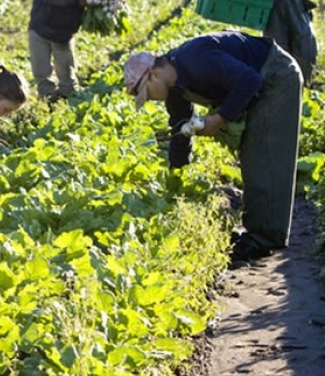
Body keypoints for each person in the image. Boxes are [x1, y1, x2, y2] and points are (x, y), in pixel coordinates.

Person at [123, 30, 303, 266]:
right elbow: (179, 125)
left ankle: (265, 239)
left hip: (277, 75)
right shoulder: (175, 88)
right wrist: (176, 174)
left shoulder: (195, 58)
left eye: (147, 94)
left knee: (265, 154)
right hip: (257, 81)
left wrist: (217, 120)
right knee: (252, 155)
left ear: (154, 75)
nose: (150, 100)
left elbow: (250, 80)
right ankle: (258, 230)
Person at [29, 0, 121, 101]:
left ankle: (70, 102)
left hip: (64, 32)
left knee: (68, 77)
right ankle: (48, 105)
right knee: (43, 76)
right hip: (41, 29)